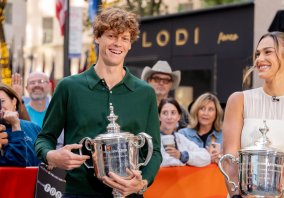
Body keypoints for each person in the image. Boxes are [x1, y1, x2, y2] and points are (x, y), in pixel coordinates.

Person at [35, 7, 162, 197]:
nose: (117, 43)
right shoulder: (69, 87)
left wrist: (142, 183)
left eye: (124, 38)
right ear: (97, 37)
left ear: (129, 44)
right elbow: (44, 138)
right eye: (111, 36)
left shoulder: (145, 93)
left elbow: (155, 151)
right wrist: (52, 156)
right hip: (77, 193)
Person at [222, 32, 284, 198]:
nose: (259, 59)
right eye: (257, 54)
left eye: (267, 52)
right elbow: (229, 159)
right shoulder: (238, 100)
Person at [158, 98, 210, 167]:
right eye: (165, 113)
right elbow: (161, 162)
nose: (169, 117)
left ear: (179, 116)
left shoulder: (180, 138)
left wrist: (182, 155)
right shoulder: (152, 139)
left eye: (173, 113)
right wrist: (182, 160)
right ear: (159, 116)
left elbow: (206, 157)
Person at [0, 83, 41, 166]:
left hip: (37, 178)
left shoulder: (34, 127)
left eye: (2, 101)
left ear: (14, 101)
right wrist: (16, 125)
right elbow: (17, 163)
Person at [141, 60, 189, 129]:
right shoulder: (139, 106)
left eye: (166, 80)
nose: (161, 83)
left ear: (171, 84)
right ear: (149, 81)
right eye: (157, 79)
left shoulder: (180, 110)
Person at [178, 93, 223, 164]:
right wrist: (204, 158)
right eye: (202, 108)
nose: (206, 113)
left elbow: (230, 162)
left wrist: (221, 158)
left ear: (216, 114)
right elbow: (178, 160)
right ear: (196, 111)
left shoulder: (224, 136)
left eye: (210, 109)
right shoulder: (183, 134)